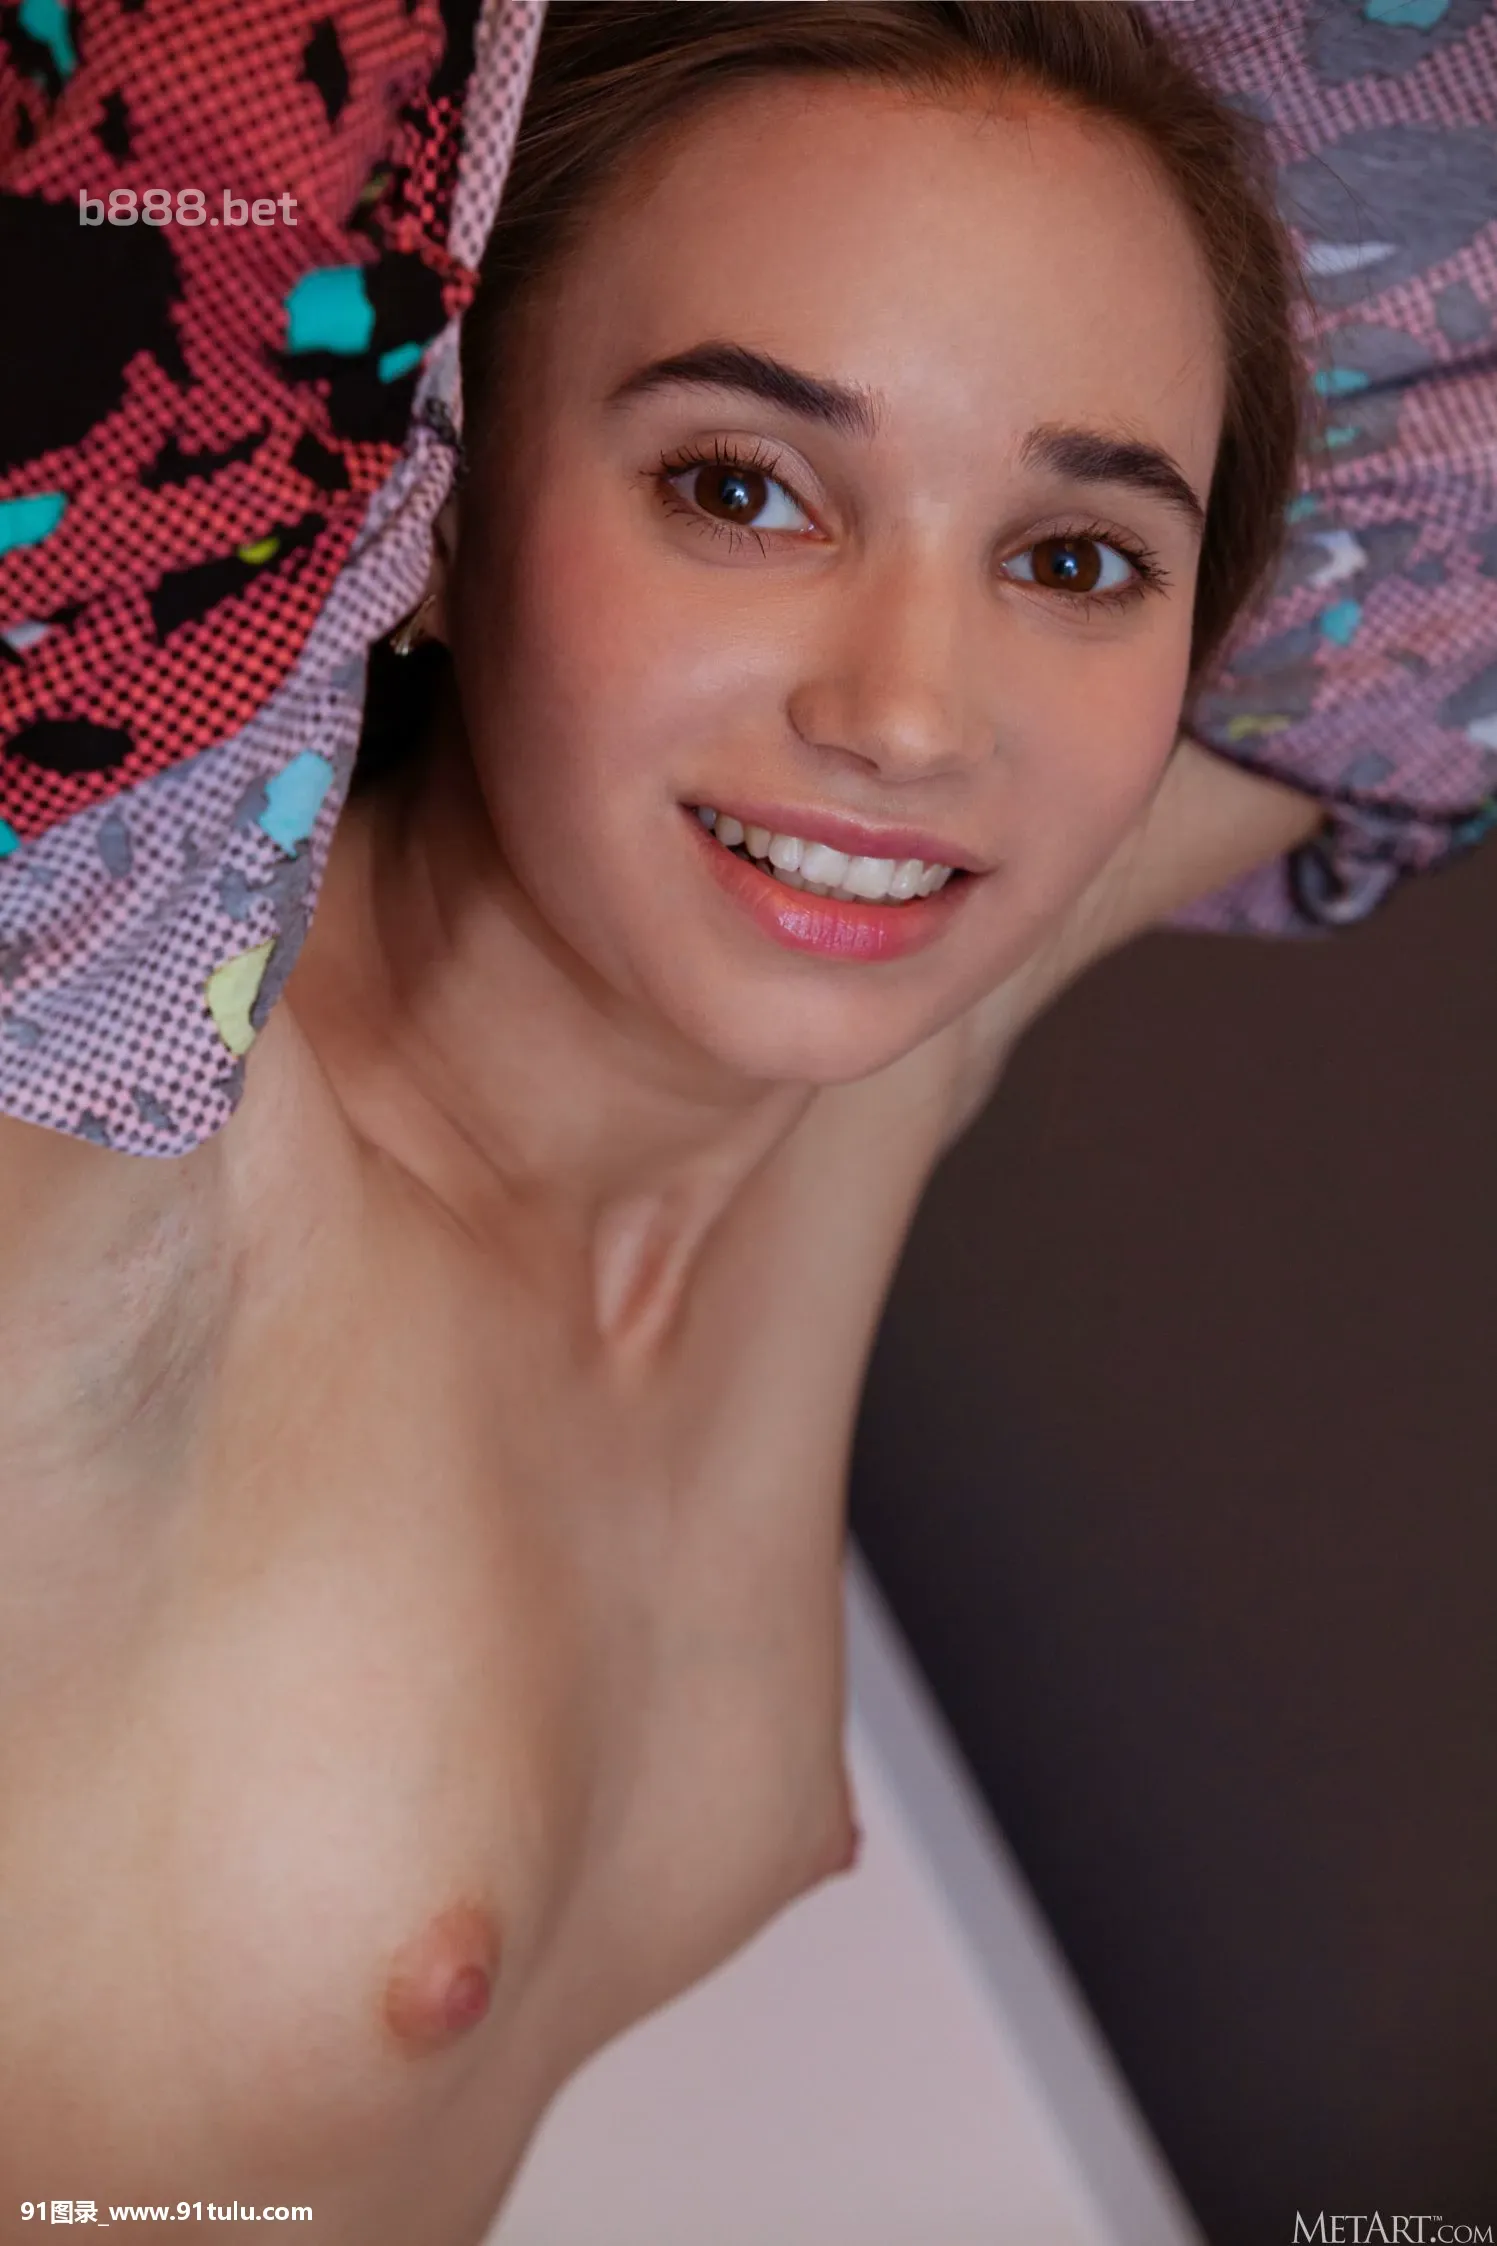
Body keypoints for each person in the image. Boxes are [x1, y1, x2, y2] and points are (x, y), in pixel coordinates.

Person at [0, 3, 1492, 2236]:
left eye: (1075, 559)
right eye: (739, 487)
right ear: (429, 498)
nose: (909, 714)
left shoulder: (850, 1098)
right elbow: (203, 150)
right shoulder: (104, 1188)